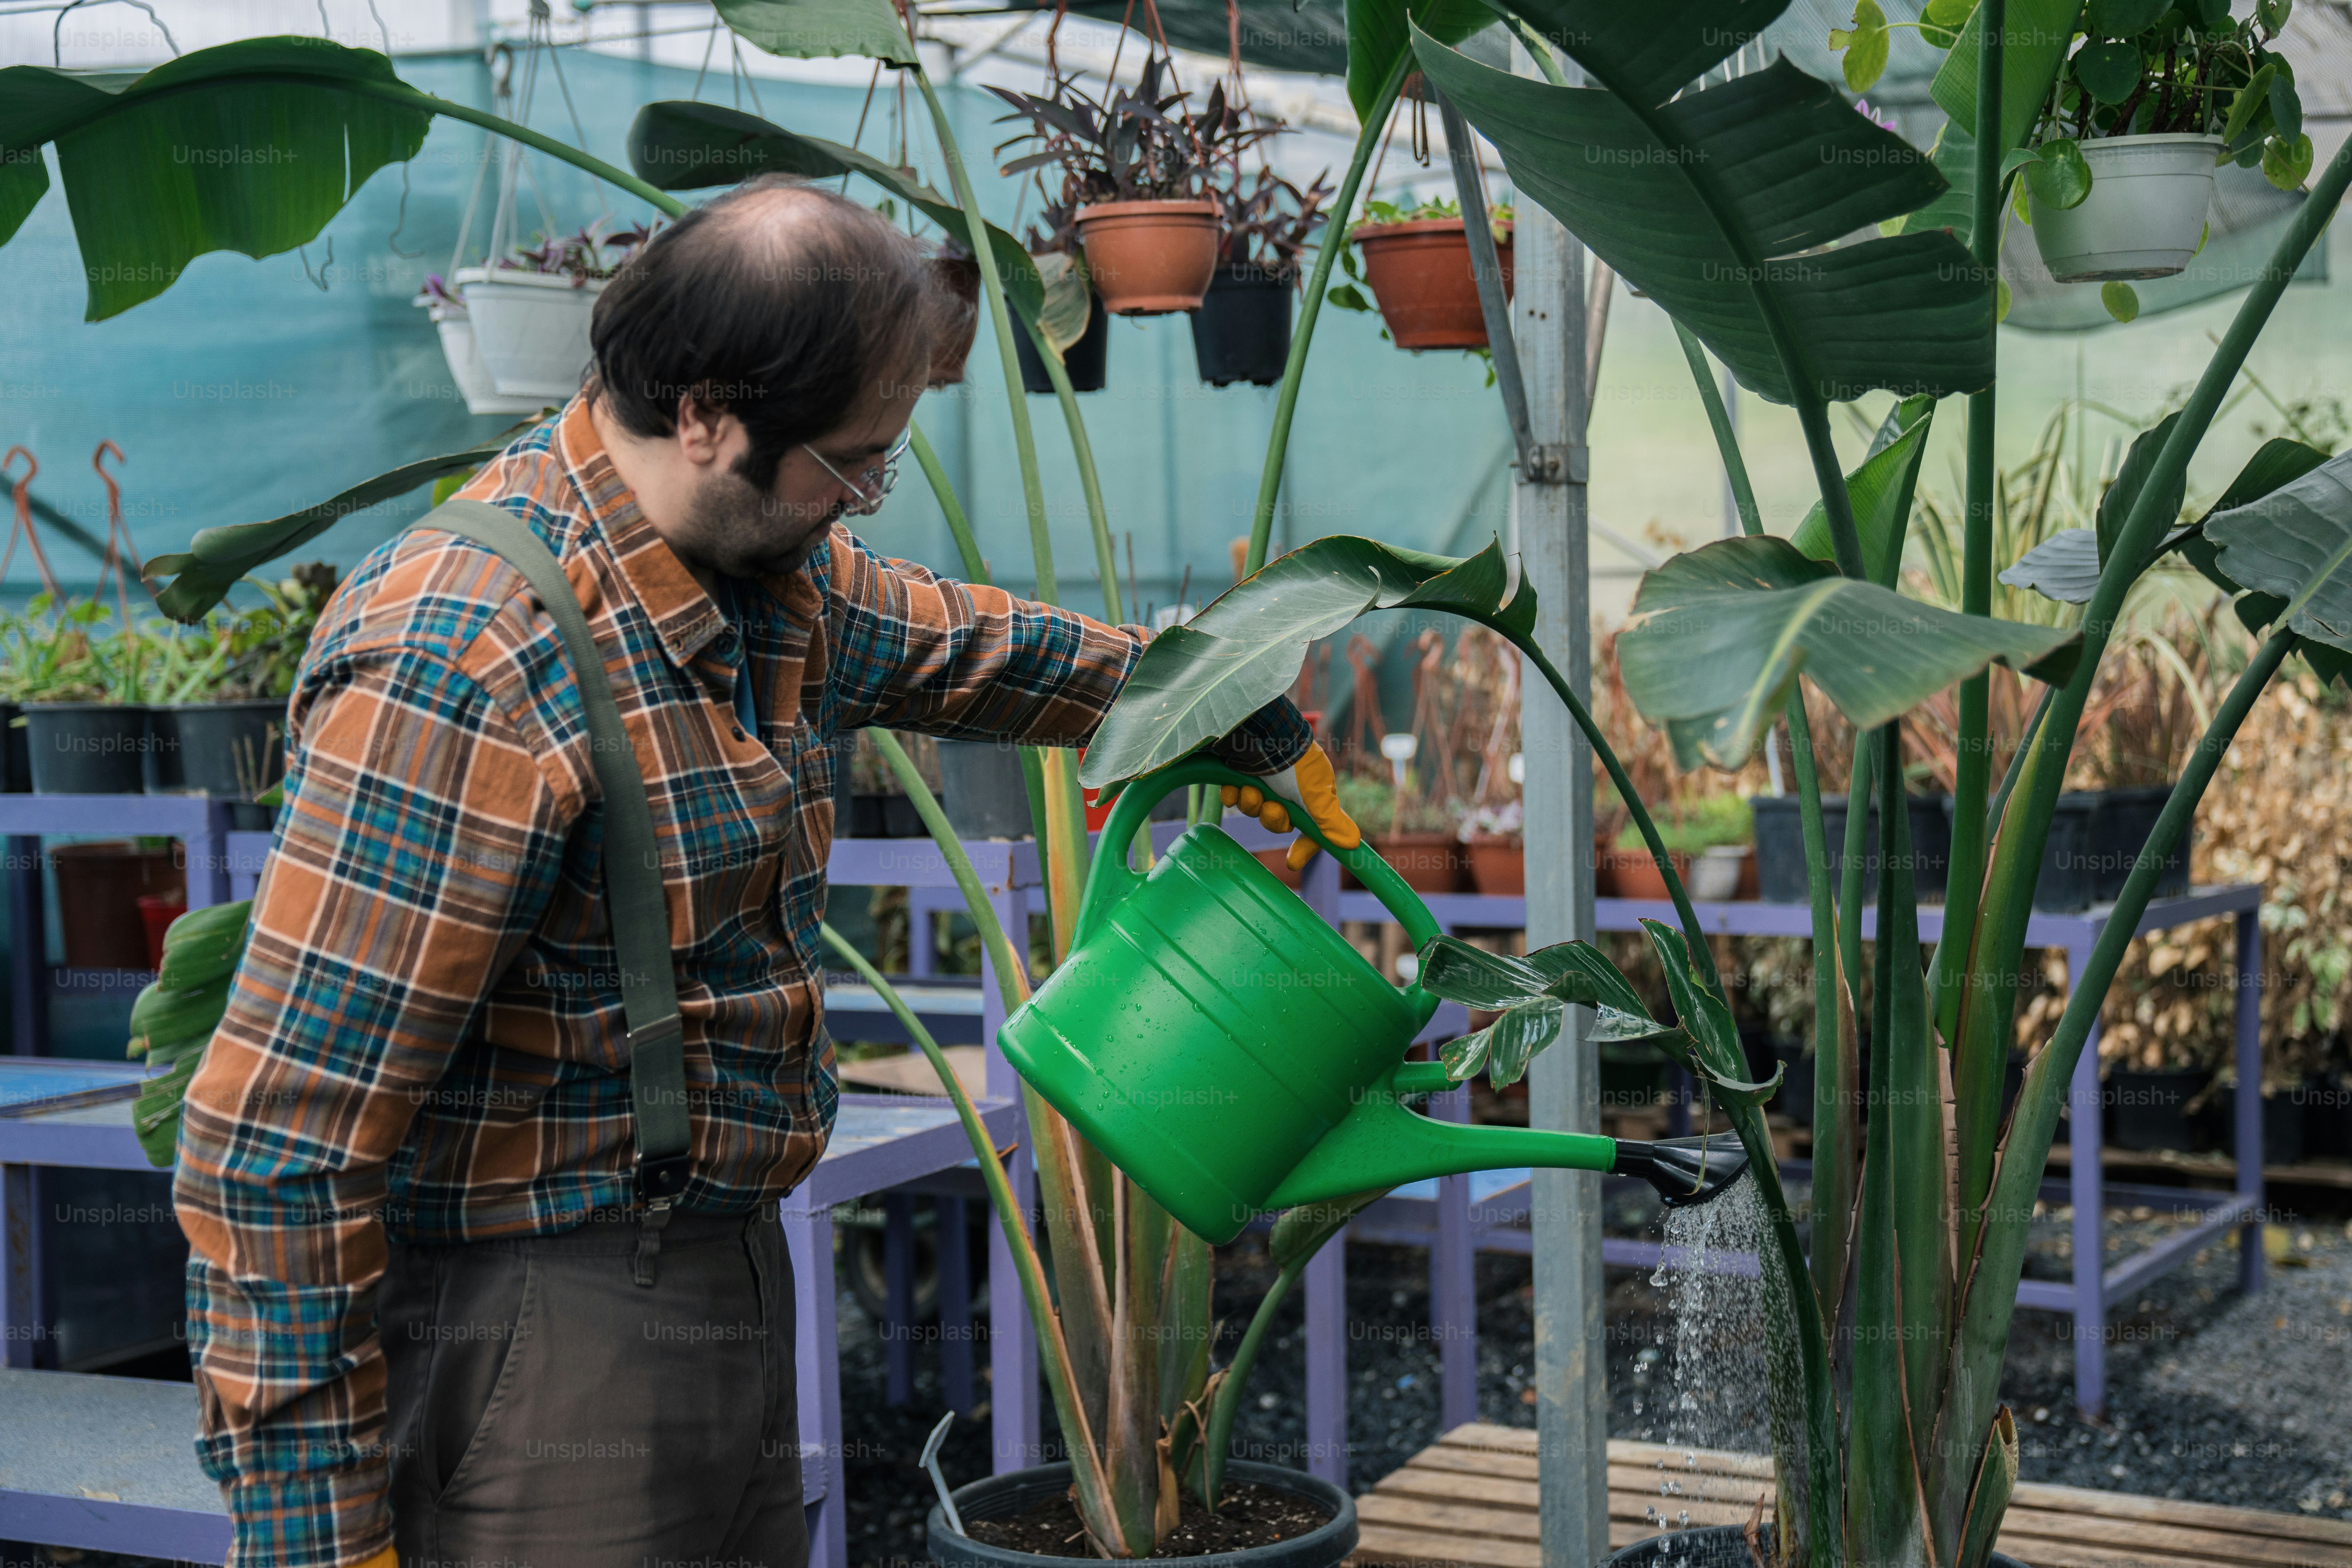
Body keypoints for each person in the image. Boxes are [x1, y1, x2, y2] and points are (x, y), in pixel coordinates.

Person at [171, 175, 1358, 1568]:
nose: (860, 499)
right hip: (537, 1332)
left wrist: (1217, 695)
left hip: (724, 1272)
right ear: (705, 417)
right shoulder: (468, 664)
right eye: (849, 463)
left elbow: (965, 648)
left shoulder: (766, 575)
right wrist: (321, 1541)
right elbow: (276, 1141)